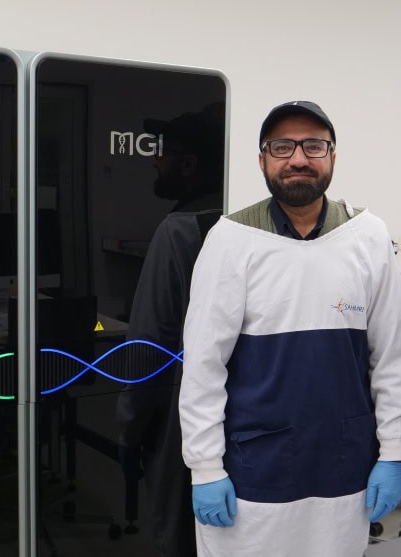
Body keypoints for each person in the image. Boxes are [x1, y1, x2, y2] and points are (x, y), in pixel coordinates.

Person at [178, 100, 401, 556]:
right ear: (263, 159)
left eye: (313, 145)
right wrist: (206, 467)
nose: (299, 158)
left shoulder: (366, 236)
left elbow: (392, 358)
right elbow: (204, 367)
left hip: (343, 465)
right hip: (254, 469)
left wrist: (393, 451)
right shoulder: (231, 239)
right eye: (282, 146)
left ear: (332, 155)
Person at [115, 107, 225, 556]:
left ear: (190, 163)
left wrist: (129, 430)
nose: (153, 160)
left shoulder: (179, 232)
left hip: (181, 428)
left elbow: (147, 350)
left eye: (162, 152)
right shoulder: (252, 224)